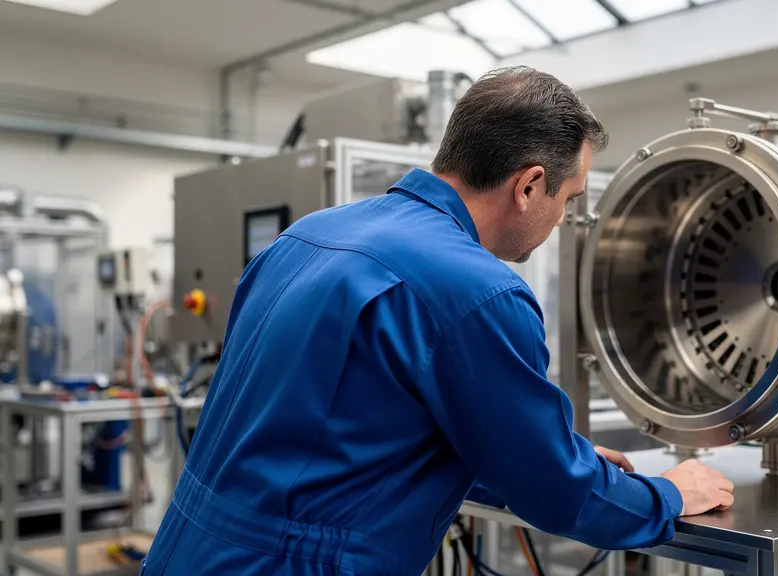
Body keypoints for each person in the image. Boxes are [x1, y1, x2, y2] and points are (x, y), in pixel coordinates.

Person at [142, 66, 734, 576]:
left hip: (187, 549)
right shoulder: (479, 291)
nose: (561, 220)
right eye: (568, 200)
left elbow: (345, 434)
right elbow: (557, 495)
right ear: (529, 185)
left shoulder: (307, 236)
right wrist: (667, 495)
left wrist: (547, 452)